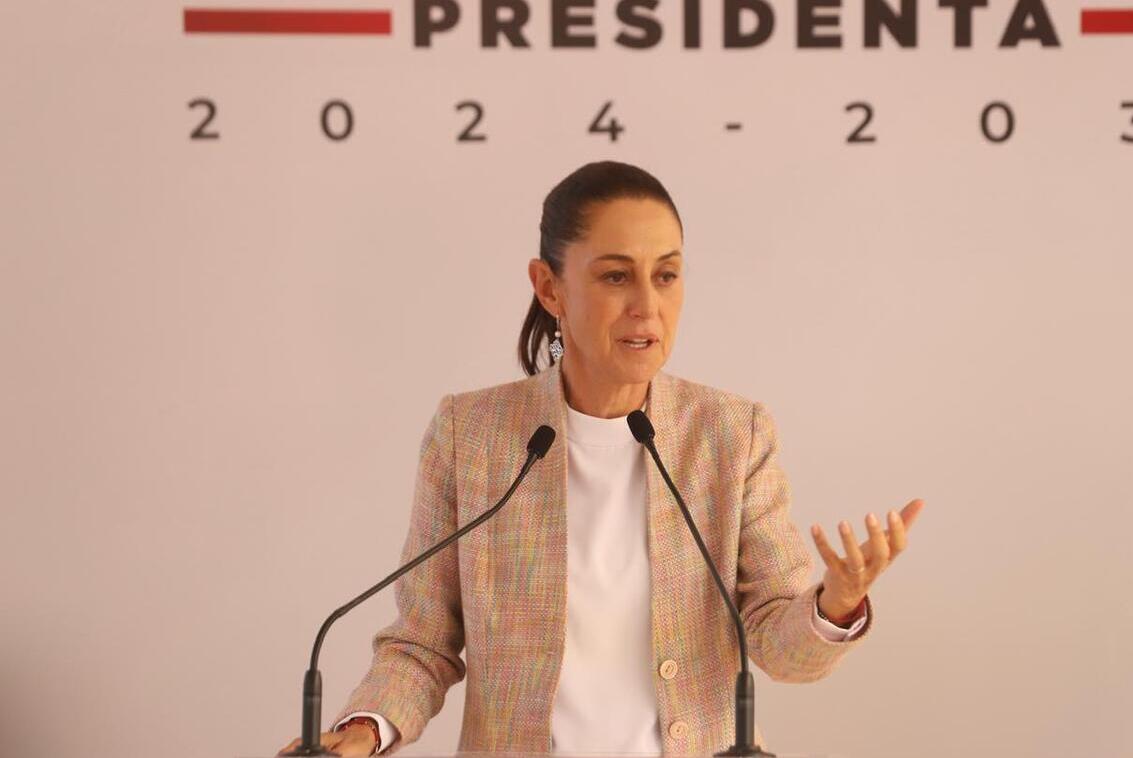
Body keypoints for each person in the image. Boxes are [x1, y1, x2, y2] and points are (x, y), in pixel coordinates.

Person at [278, 160, 923, 757]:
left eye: (666, 275)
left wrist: (834, 605)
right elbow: (422, 644)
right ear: (549, 287)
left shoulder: (731, 435)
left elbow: (780, 648)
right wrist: (362, 732)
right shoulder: (470, 436)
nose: (648, 305)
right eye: (616, 276)